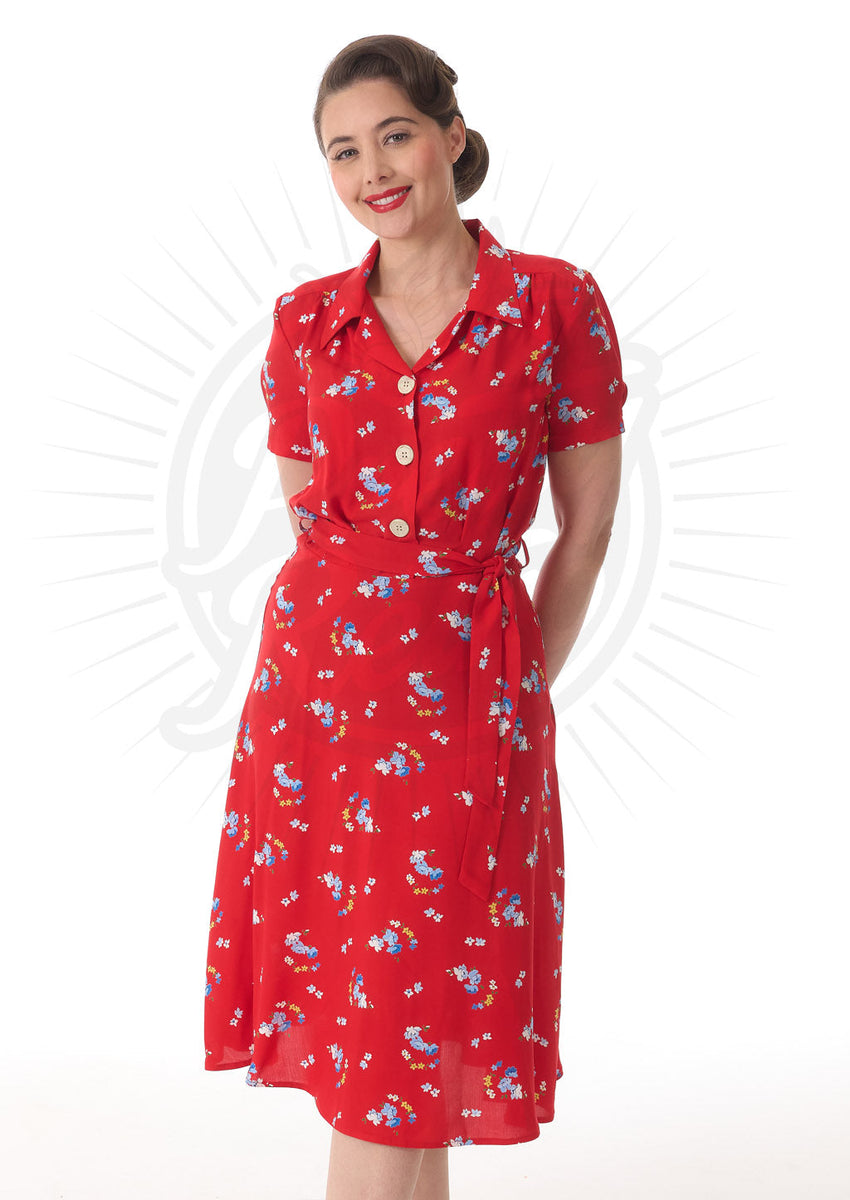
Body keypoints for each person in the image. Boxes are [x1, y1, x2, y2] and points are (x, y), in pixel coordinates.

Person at [203, 33, 627, 1200]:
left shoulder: (551, 303)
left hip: (472, 703)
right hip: (315, 712)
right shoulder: (305, 323)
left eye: (393, 136)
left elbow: (587, 532)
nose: (372, 171)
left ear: (450, 134)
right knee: (381, 1030)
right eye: (343, 151)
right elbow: (317, 534)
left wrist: (512, 690)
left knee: (413, 1012)